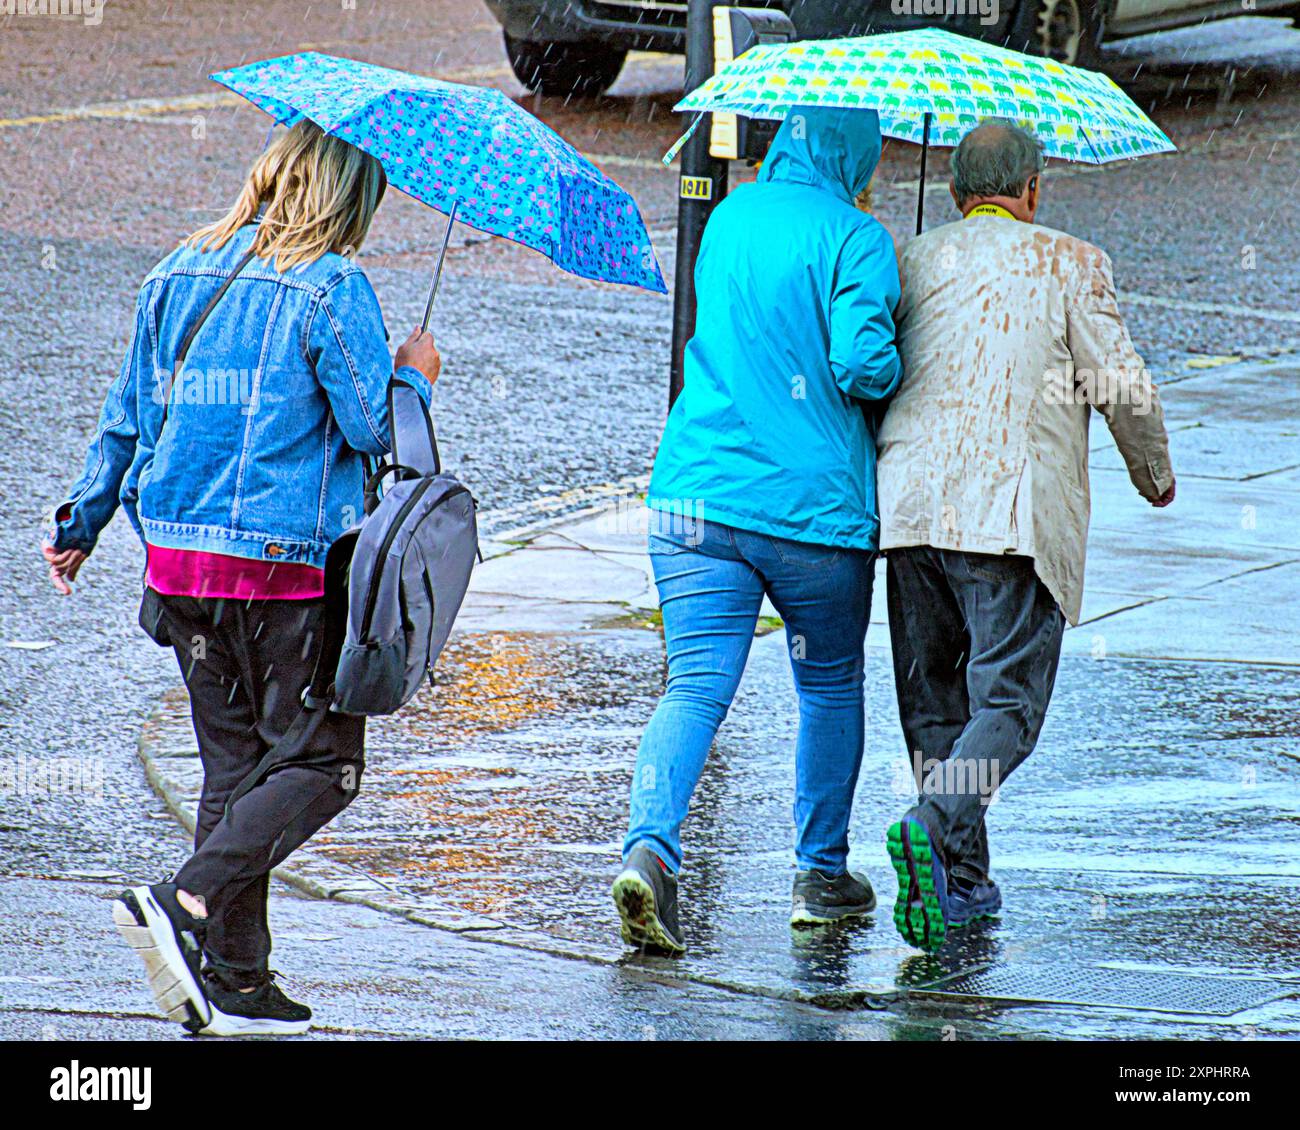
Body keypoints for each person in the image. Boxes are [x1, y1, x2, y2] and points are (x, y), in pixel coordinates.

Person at [42, 120, 442, 1034]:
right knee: (324, 766)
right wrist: (413, 378)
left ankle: (237, 977)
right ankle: (181, 901)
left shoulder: (179, 269)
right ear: (349, 197)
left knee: (237, 771)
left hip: (179, 568)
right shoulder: (331, 285)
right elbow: (376, 432)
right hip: (281, 578)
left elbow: (127, 410)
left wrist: (83, 519)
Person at [876, 119, 1175, 952]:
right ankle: (937, 822)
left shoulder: (913, 259)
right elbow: (1120, 383)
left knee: (937, 703)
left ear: (955, 195)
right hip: (1009, 516)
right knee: (1004, 704)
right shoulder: (1069, 263)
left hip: (909, 511)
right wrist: (1153, 471)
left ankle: (960, 882)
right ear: (1033, 191)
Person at [612, 107, 903, 955]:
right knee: (828, 685)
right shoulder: (860, 237)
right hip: (810, 513)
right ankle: (820, 877)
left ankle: (649, 853)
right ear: (854, 152)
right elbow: (861, 364)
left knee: (695, 686)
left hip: (697, 497)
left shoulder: (731, 214)